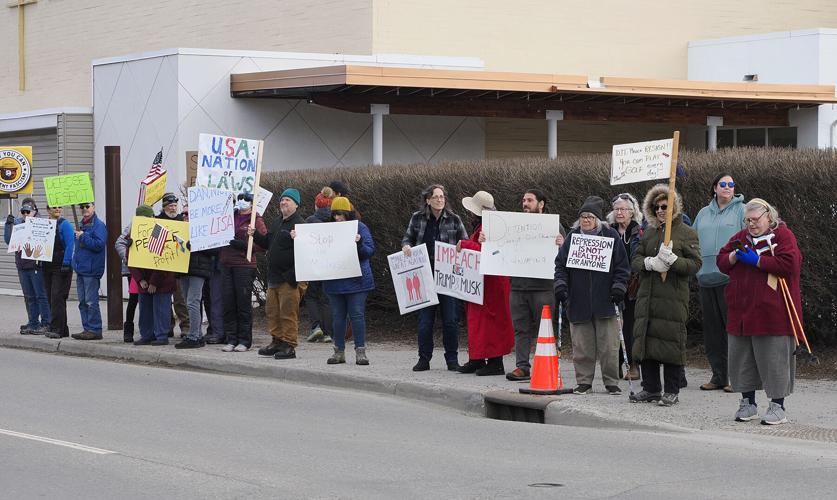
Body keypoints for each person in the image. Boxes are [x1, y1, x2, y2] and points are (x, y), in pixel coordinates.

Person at [717, 198, 800, 425]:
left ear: (768, 217)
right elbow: (721, 261)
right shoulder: (740, 237)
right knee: (742, 358)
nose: (751, 224)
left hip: (773, 312)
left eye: (755, 219)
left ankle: (778, 405)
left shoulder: (783, 236)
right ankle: (748, 403)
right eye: (748, 220)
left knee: (774, 360)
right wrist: (734, 256)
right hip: (741, 311)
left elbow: (790, 265)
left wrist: (758, 261)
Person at [629, 185, 701, 406]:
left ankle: (671, 390)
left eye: (665, 206)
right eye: (656, 207)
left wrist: (674, 261)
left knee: (671, 343)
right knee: (647, 342)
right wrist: (650, 263)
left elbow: (695, 264)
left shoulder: (686, 233)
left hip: (672, 298)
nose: (660, 210)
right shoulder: (649, 233)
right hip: (648, 297)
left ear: (674, 207)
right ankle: (650, 388)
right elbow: (636, 259)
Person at [554, 196, 630, 394]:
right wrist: (561, 285)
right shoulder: (572, 237)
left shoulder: (611, 236)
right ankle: (584, 381)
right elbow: (560, 265)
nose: (586, 220)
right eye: (583, 217)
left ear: (598, 219)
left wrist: (619, 287)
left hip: (606, 301)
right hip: (578, 301)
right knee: (582, 346)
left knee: (609, 346)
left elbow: (622, 266)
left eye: (590, 217)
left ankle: (611, 381)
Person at [402, 184, 469, 372]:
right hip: (425, 275)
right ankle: (424, 359)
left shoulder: (454, 219)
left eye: (442, 197)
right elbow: (407, 238)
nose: (440, 200)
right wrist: (406, 246)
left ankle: (452, 359)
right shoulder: (417, 218)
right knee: (425, 321)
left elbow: (465, 241)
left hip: (448, 275)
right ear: (428, 200)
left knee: (451, 320)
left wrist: (462, 245)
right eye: (436, 197)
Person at [506, 189, 566, 381]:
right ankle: (522, 367)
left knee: (545, 330)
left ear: (541, 204)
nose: (525, 203)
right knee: (520, 329)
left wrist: (562, 244)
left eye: (530, 200)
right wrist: (486, 240)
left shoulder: (553, 226)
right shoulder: (513, 225)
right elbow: (499, 247)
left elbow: (566, 256)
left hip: (543, 288)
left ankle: (547, 367)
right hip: (518, 287)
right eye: (523, 200)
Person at [693, 173, 745, 392]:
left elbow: (748, 240)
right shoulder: (703, 213)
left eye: (731, 184)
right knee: (713, 332)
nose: (727, 187)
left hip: (730, 279)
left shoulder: (742, 210)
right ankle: (718, 376)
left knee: (733, 330)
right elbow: (692, 240)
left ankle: (737, 378)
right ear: (714, 188)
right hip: (706, 278)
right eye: (723, 184)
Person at [456, 190, 514, 376]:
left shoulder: (491, 227)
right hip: (484, 282)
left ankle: (495, 361)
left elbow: (490, 251)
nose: (470, 214)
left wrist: (465, 244)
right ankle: (478, 357)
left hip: (492, 283)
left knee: (490, 321)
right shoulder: (485, 225)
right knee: (478, 321)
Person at [318, 196, 375, 365]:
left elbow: (369, 251)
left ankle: (360, 352)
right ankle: (339, 352)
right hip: (335, 280)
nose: (337, 218)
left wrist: (359, 243)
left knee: (356, 315)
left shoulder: (360, 228)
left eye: (340, 214)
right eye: (335, 215)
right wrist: (298, 238)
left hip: (357, 281)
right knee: (338, 317)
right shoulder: (329, 230)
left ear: (348, 213)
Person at [252, 188, 306, 360]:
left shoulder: (300, 225)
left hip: (289, 279)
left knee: (288, 313)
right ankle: (277, 341)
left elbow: (307, 252)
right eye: (282, 199)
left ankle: (289, 345)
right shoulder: (276, 222)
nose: (283, 202)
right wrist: (255, 235)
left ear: (296, 204)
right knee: (273, 312)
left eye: (288, 200)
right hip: (273, 278)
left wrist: (293, 276)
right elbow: (268, 243)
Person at [219, 192, 266, 352]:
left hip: (244, 265)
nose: (242, 202)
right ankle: (231, 339)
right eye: (240, 199)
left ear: (252, 203)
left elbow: (263, 243)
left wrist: (245, 246)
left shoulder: (255, 220)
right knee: (229, 303)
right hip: (226, 263)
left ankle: (244, 340)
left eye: (246, 199)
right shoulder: (228, 217)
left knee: (243, 303)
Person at [607, 193, 644, 381]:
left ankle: (633, 365)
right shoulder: (608, 231)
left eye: (623, 209)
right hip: (611, 285)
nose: (619, 212)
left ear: (632, 211)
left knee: (630, 328)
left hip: (632, 288)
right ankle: (615, 364)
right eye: (616, 209)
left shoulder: (640, 231)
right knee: (613, 327)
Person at [130, 205, 177, 346]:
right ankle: (147, 335)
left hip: (162, 281)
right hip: (143, 280)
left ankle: (161, 335)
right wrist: (140, 279)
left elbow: (164, 259)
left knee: (161, 308)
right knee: (145, 310)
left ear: (152, 217)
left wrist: (154, 282)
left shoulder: (160, 231)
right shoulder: (134, 233)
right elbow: (131, 259)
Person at [4, 198, 51, 335]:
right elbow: (9, 241)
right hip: (22, 265)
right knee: (29, 296)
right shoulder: (18, 222)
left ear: (34, 210)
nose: (25, 214)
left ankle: (46, 323)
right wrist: (8, 225)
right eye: (23, 211)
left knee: (40, 295)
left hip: (36, 265)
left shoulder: (41, 223)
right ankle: (33, 322)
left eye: (28, 211)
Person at [174, 207, 217, 349]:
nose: (184, 215)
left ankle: (193, 336)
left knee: (193, 302)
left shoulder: (203, 229)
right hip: (183, 269)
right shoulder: (179, 228)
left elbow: (215, 249)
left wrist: (197, 245)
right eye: (183, 213)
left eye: (187, 213)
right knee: (189, 302)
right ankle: (197, 335)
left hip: (198, 269)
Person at [71, 201, 108, 340]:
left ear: (93, 207)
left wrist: (83, 236)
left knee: (91, 302)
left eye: (87, 206)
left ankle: (95, 329)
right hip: (81, 269)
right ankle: (87, 328)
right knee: (82, 302)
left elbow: (99, 244)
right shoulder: (81, 224)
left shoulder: (99, 225)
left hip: (91, 270)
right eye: (82, 207)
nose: (84, 209)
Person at [304, 186, 335, 344]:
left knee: (311, 296)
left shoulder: (310, 221)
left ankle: (316, 327)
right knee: (326, 298)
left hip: (314, 265)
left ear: (316, 205)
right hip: (331, 266)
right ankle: (328, 333)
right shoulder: (335, 220)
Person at [158, 192, 189, 337]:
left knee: (180, 299)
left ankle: (185, 326)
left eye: (175, 205)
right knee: (164, 299)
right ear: (164, 207)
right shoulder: (157, 221)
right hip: (162, 266)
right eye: (170, 205)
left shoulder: (182, 220)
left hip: (178, 266)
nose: (173, 208)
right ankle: (167, 326)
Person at [42, 204, 75, 339]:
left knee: (57, 297)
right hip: (47, 265)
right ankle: (61, 328)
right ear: (48, 210)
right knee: (51, 297)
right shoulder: (44, 225)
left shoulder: (65, 224)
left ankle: (57, 329)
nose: (57, 209)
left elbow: (70, 245)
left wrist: (66, 263)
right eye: (54, 207)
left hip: (61, 266)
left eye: (59, 207)